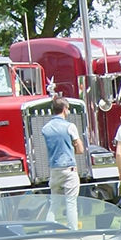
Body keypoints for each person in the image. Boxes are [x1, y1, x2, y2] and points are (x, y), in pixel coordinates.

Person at [40, 97, 84, 227]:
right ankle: (72, 229)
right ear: (64, 109)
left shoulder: (45, 128)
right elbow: (80, 149)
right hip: (69, 168)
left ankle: (49, 229)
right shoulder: (70, 126)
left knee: (54, 203)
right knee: (71, 202)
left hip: (54, 168)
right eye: (68, 108)